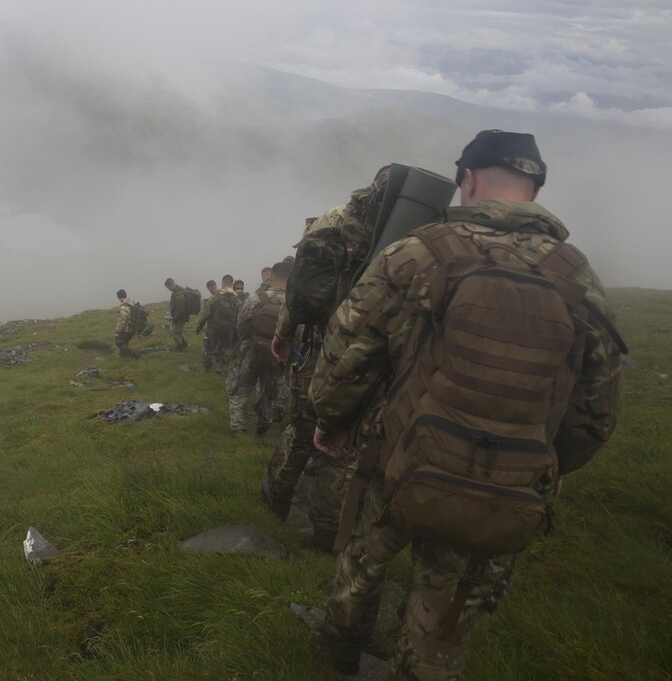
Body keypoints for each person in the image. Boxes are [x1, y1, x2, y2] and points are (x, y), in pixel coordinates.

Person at [307, 131, 624, 678]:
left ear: (468, 178)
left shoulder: (417, 253)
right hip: (507, 480)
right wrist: (543, 462)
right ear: (537, 186)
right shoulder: (578, 277)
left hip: (400, 453)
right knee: (448, 612)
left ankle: (339, 653)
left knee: (363, 561)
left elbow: (348, 351)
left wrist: (331, 421)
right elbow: (597, 409)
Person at [261, 166, 392, 552]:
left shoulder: (333, 218)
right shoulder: (411, 233)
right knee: (343, 450)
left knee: (300, 430)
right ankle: (326, 536)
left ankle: (273, 504)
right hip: (367, 357)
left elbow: (300, 288)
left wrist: (283, 335)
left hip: (316, 346)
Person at [225, 262, 288, 435]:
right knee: (268, 392)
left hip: (252, 353)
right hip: (277, 357)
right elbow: (298, 334)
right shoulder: (293, 302)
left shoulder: (256, 298)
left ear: (271, 277)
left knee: (239, 390)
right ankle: (263, 425)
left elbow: (240, 326)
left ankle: (238, 427)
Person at [197, 275, 241, 373]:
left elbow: (206, 313)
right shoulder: (237, 299)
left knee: (207, 348)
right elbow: (240, 316)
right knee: (224, 349)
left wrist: (199, 325)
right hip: (228, 330)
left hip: (214, 328)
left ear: (222, 283)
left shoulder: (215, 296)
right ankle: (220, 367)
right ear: (231, 284)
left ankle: (206, 368)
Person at [164, 278, 190, 351]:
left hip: (181, 316)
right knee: (179, 331)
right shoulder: (175, 291)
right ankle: (184, 344)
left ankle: (179, 347)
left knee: (176, 332)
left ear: (171, 284)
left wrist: (175, 318)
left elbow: (181, 309)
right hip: (179, 316)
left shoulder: (179, 293)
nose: (168, 289)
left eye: (168, 287)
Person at [114, 289, 141, 359]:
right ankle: (123, 357)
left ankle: (135, 356)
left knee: (119, 342)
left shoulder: (123, 307)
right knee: (124, 342)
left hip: (127, 329)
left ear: (119, 297)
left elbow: (123, 321)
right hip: (133, 327)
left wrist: (117, 331)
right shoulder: (131, 302)